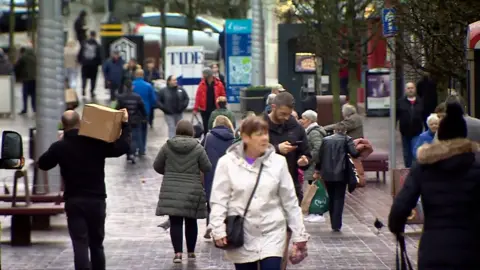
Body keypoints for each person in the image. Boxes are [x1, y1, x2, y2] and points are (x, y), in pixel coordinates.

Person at [388, 101, 480, 269]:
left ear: (441, 135)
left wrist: (397, 226)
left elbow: (401, 205)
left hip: (433, 250)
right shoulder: (476, 164)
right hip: (472, 251)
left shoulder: (424, 166)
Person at [209, 116, 309, 270]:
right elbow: (219, 199)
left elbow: (290, 200)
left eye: (266, 134)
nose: (264, 138)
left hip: (272, 231)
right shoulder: (227, 163)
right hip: (242, 232)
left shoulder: (278, 163)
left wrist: (299, 234)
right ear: (245, 137)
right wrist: (218, 229)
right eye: (258, 134)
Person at [37, 109, 130, 270]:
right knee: (96, 244)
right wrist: (125, 124)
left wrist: (59, 143)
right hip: (96, 201)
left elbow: (43, 163)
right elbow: (123, 147)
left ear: (63, 125)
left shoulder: (60, 146)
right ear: (80, 123)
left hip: (74, 201)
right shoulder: (95, 142)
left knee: (79, 243)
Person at [153, 120, 212, 264]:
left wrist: (169, 172)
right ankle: (191, 252)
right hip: (192, 189)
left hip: (172, 188)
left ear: (177, 131)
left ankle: (178, 254)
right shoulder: (198, 148)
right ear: (192, 132)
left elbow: (157, 165)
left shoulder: (167, 146)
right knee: (191, 221)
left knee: (175, 222)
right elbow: (207, 166)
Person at [264, 92, 311, 203]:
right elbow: (250, 156)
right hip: (265, 185)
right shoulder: (259, 125)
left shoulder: (296, 128)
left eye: (288, 114)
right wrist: (276, 149)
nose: (286, 118)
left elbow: (306, 152)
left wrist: (304, 160)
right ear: (273, 107)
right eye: (283, 113)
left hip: (290, 184)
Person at [314, 122, 360, 232]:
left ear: (334, 130)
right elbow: (354, 153)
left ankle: (333, 222)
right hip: (341, 173)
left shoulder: (326, 140)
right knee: (339, 197)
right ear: (345, 131)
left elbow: (320, 157)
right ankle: (336, 224)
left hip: (327, 173)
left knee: (331, 196)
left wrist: (318, 170)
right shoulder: (347, 139)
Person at [201, 115, 235, 239]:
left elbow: (201, 152)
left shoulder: (209, 137)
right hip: (228, 171)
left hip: (211, 170)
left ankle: (210, 223)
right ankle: (224, 227)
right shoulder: (233, 138)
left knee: (212, 199)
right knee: (227, 198)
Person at [116, 80, 147, 164]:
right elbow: (142, 108)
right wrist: (144, 117)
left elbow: (118, 109)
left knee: (126, 137)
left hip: (125, 120)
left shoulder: (121, 97)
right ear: (132, 87)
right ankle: (132, 153)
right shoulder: (137, 97)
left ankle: (128, 153)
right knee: (134, 138)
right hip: (135, 120)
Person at [396, 82, 424, 168]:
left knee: (415, 151)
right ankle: (407, 169)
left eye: (412, 88)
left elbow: (424, 115)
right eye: (408, 88)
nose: (410, 90)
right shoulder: (400, 102)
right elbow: (396, 116)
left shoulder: (420, 102)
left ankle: (415, 169)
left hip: (417, 131)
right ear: (405, 90)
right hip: (405, 132)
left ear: (415, 89)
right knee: (406, 152)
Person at [193, 67, 226, 135]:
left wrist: (223, 106)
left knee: (215, 126)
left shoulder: (218, 84)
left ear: (207, 75)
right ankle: (206, 141)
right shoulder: (202, 84)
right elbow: (198, 97)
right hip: (204, 110)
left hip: (215, 109)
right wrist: (195, 109)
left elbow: (223, 95)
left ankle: (214, 139)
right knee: (205, 127)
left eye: (203, 74)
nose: (202, 75)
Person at [132, 69, 157, 156]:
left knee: (135, 130)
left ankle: (135, 148)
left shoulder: (132, 85)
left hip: (134, 111)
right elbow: (153, 100)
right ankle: (142, 149)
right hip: (146, 111)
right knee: (143, 130)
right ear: (143, 75)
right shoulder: (148, 86)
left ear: (135, 75)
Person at [77, 31, 102, 99]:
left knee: (84, 78)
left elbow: (80, 53)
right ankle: (92, 92)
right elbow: (100, 55)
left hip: (85, 64)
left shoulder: (84, 43)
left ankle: (83, 90)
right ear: (95, 36)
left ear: (89, 35)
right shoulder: (97, 45)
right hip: (94, 65)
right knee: (93, 79)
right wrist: (99, 63)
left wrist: (80, 61)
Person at [14, 46, 36, 115]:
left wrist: (17, 76)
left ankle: (25, 109)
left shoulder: (23, 58)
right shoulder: (36, 58)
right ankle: (34, 109)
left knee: (25, 95)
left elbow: (17, 67)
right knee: (33, 95)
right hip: (34, 79)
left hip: (26, 79)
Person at [143, 58, 160, 128]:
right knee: (146, 106)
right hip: (146, 90)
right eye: (150, 63)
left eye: (152, 63)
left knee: (152, 107)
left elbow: (158, 78)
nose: (152, 65)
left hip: (153, 90)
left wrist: (155, 81)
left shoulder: (155, 71)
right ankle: (146, 119)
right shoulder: (144, 72)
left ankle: (151, 121)